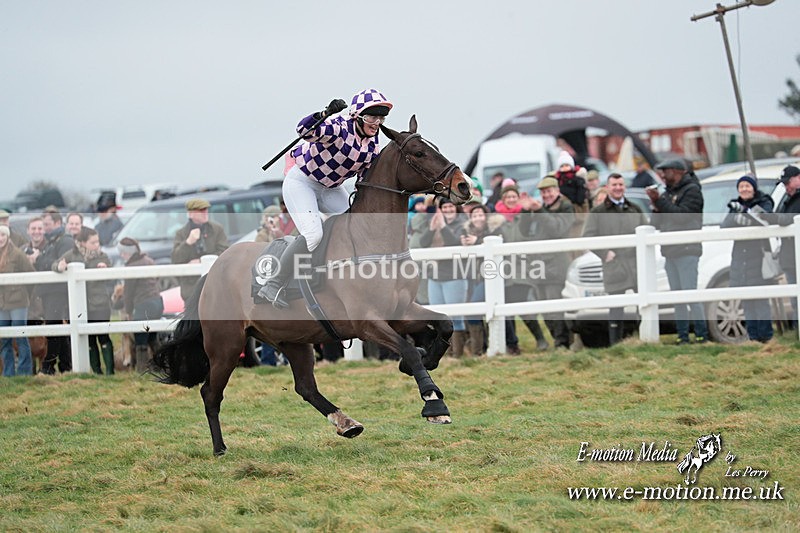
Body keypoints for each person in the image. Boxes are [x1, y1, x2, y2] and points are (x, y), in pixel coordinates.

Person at [258, 88, 393, 308]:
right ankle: (273, 284)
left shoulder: (373, 144)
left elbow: (366, 177)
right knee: (313, 235)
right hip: (302, 183)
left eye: (380, 117)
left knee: (357, 226)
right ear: (357, 115)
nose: (376, 122)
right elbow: (303, 129)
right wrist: (323, 114)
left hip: (331, 188)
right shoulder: (338, 128)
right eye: (371, 116)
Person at [581, 173, 648, 345]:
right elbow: (588, 236)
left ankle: (644, 339)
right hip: (614, 266)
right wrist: (604, 253)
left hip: (635, 264)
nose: (618, 188)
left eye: (620, 184)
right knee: (616, 307)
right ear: (608, 187)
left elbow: (647, 231)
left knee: (644, 305)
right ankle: (615, 344)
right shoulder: (598, 212)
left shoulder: (634, 208)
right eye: (614, 185)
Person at [647, 159, 708, 345]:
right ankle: (682, 336)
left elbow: (681, 216)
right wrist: (655, 206)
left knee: (690, 295)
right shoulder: (668, 193)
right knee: (676, 297)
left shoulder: (693, 191)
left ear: (678, 171)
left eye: (666, 172)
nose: (663, 176)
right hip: (670, 251)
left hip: (687, 250)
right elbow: (656, 224)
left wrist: (660, 201)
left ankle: (701, 335)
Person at [521, 177, 576, 349]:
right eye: (544, 192)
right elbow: (524, 231)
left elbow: (557, 229)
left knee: (555, 308)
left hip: (556, 264)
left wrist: (539, 211)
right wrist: (525, 211)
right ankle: (558, 341)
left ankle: (562, 343)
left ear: (557, 191)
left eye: (549, 191)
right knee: (545, 310)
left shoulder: (566, 207)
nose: (547, 195)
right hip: (538, 265)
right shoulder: (539, 208)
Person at [720, 175, 775, 342]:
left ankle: (765, 337)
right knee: (747, 301)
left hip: (758, 256)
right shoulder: (735, 205)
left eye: (747, 186)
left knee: (761, 300)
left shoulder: (764, 201)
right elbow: (725, 226)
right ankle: (753, 338)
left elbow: (764, 219)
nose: (744, 189)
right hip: (740, 257)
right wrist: (738, 214)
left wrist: (744, 214)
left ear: (754, 188)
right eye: (741, 186)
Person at [54, 227, 115, 374]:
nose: (97, 245)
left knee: (104, 337)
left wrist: (106, 268)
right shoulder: (72, 255)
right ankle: (97, 372)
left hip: (100, 304)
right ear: (82, 243)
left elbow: (111, 273)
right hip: (81, 306)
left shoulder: (102, 256)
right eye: (93, 242)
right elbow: (55, 264)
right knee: (89, 339)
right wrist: (59, 266)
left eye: (97, 242)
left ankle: (110, 372)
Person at [419, 197, 469, 356]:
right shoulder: (435, 222)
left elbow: (453, 243)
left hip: (455, 276)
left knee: (455, 316)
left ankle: (458, 352)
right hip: (435, 277)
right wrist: (433, 228)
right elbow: (423, 242)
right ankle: (443, 353)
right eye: (445, 207)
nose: (448, 210)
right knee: (438, 317)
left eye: (451, 207)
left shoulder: (463, 224)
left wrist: (443, 226)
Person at [113, 237, 164, 372]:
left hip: (144, 304)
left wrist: (129, 311)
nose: (121, 255)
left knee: (141, 338)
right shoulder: (149, 260)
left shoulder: (131, 267)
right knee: (152, 336)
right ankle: (162, 366)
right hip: (158, 302)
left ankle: (142, 369)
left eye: (122, 252)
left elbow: (128, 294)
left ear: (128, 252)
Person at [460, 204, 505, 355]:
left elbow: (498, 245)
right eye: (474, 215)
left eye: (480, 214)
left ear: (486, 216)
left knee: (490, 311)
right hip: (473, 278)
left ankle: (482, 349)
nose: (478, 218)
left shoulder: (496, 229)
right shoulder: (465, 232)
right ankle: (480, 347)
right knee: (474, 311)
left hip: (493, 278)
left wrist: (477, 241)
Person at [35, 209, 75, 373]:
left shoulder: (64, 241)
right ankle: (63, 366)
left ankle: (49, 366)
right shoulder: (53, 240)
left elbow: (58, 264)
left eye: (47, 224)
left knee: (55, 328)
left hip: (58, 292)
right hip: (51, 292)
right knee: (58, 328)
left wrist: (38, 258)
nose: (44, 229)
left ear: (58, 223)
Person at [171, 198, 229, 302]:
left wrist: (202, 261)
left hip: (214, 283)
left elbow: (225, 252)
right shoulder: (181, 233)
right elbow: (176, 259)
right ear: (191, 213)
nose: (205, 213)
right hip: (191, 287)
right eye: (201, 210)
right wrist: (188, 242)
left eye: (206, 209)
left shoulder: (216, 229)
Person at [765, 165, 800, 326]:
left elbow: (788, 220)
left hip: (795, 255)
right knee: (794, 299)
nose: (786, 187)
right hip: (790, 256)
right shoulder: (789, 199)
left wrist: (771, 218)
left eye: (788, 183)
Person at [0, 225, 35, 376]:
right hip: (1, 303)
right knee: (4, 339)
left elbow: (31, 275)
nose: (0, 239)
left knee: (20, 336)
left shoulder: (17, 254)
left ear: (7, 237)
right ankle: (8, 373)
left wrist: (23, 294)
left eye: (2, 235)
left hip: (18, 302)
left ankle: (24, 372)